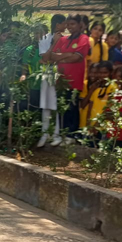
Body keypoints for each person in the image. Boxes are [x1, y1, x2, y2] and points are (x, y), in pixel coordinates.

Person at [44, 14, 91, 144]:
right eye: (68, 24)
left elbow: (77, 57)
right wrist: (67, 55)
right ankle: (61, 134)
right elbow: (51, 56)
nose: (70, 27)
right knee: (61, 107)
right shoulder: (63, 39)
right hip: (60, 80)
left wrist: (61, 57)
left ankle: (71, 135)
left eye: (73, 24)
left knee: (72, 107)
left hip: (74, 80)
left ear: (80, 25)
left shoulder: (84, 39)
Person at [37, 14, 67, 147]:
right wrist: (54, 43)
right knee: (46, 105)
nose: (66, 26)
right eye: (64, 23)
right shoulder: (44, 39)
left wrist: (51, 57)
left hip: (61, 74)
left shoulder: (66, 40)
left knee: (58, 105)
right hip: (47, 74)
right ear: (58, 25)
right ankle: (45, 134)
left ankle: (57, 135)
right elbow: (45, 59)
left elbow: (63, 57)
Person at [80, 61, 116, 145]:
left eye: (105, 73)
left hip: (103, 127)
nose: (102, 75)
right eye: (100, 73)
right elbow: (90, 107)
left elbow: (109, 109)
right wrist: (89, 124)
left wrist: (96, 125)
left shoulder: (113, 87)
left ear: (110, 73)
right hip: (91, 126)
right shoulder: (96, 87)